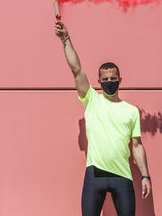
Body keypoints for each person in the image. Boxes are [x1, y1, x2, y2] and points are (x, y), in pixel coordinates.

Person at [54, 21, 152, 216]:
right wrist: (65, 39)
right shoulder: (91, 100)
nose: (109, 82)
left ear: (120, 80)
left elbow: (137, 145)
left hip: (122, 176)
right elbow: (76, 69)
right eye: (105, 80)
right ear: (98, 81)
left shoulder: (131, 111)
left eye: (113, 79)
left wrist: (145, 176)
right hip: (94, 175)